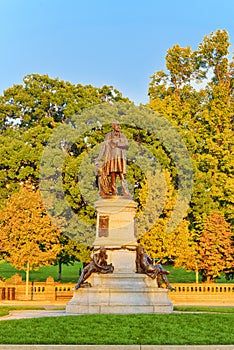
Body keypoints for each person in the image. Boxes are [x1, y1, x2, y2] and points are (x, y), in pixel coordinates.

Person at [96, 121, 131, 197]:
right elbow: (104, 147)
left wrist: (117, 144)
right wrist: (99, 158)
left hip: (120, 157)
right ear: (113, 126)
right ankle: (114, 191)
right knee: (113, 174)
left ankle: (125, 190)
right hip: (111, 157)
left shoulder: (122, 135)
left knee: (122, 174)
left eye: (119, 125)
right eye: (117, 125)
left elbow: (126, 145)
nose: (119, 127)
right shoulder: (109, 136)